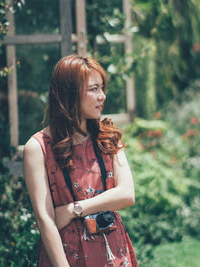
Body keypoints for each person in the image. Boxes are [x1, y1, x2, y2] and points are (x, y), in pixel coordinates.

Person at [23, 55, 138, 267]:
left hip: (113, 254)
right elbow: (45, 219)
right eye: (93, 89)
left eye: (102, 88)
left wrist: (74, 209)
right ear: (70, 93)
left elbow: (127, 194)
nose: (102, 96)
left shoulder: (108, 137)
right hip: (66, 257)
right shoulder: (38, 148)